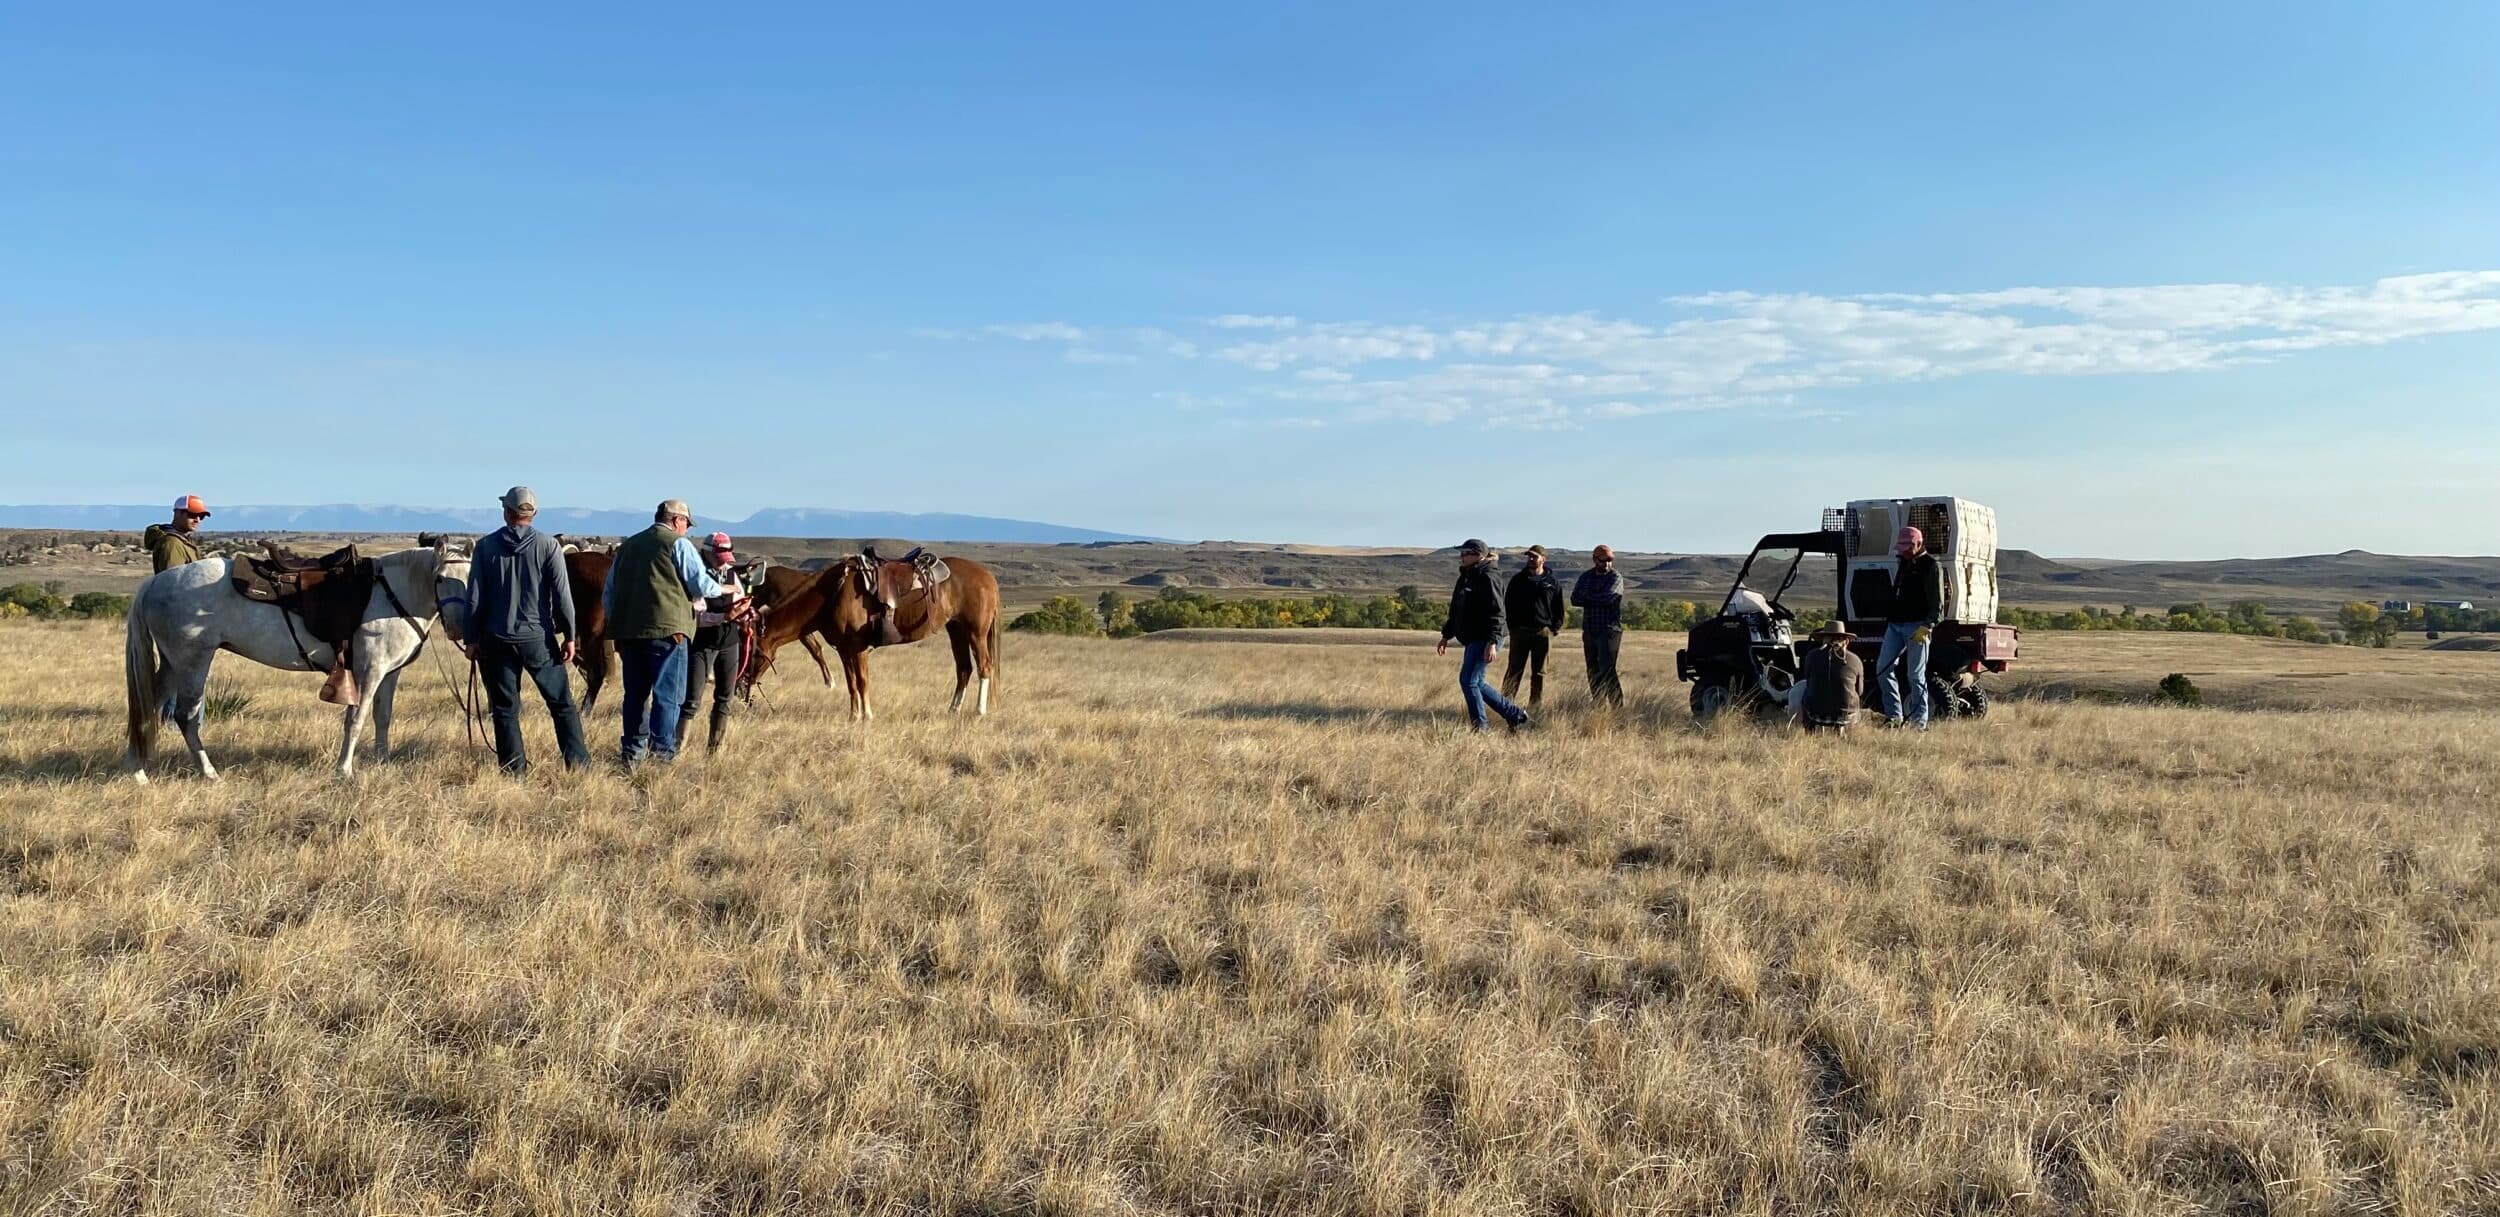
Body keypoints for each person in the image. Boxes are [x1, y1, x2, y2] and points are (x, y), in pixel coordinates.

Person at [462, 486, 591, 775]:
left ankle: (514, 771)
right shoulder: (549, 546)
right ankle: (578, 766)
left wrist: (470, 638)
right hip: (538, 638)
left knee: (505, 709)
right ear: (533, 514)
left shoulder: (485, 547)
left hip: (496, 639)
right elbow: (562, 596)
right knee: (562, 704)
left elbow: (474, 598)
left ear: (507, 512)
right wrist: (570, 636)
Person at [602, 499, 740, 767]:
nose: (687, 529)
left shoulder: (627, 546)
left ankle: (632, 754)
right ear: (677, 520)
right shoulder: (678, 544)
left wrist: (618, 622)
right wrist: (727, 589)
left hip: (629, 634)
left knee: (635, 696)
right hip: (668, 633)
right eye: (686, 524)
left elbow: (609, 593)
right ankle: (662, 757)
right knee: (668, 697)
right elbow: (700, 585)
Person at [1437, 539, 1530, 733]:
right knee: (1476, 682)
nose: (1462, 556)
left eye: (1466, 553)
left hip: (1486, 637)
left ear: (1479, 555)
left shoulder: (1489, 577)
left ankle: (1480, 727)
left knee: (1468, 681)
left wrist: (1492, 641)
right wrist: (1446, 635)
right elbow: (1456, 610)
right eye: (1461, 553)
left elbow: (1497, 612)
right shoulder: (1466, 577)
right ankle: (1516, 716)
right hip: (1473, 637)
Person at [677, 531, 750, 754]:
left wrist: (745, 614)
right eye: (719, 557)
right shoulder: (696, 577)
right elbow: (696, 616)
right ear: (706, 553)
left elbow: (739, 599)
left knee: (725, 697)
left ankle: (715, 750)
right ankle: (677, 749)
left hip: (729, 641)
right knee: (692, 699)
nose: (722, 563)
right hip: (702, 643)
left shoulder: (731, 574)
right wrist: (724, 617)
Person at [1874, 525, 1947, 729]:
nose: (1904, 551)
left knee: (1915, 675)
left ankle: (1919, 722)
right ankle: (1894, 716)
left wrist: (1928, 625)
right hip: (1895, 624)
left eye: (1908, 547)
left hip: (1917, 626)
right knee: (1882, 669)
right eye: (1902, 547)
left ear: (1919, 543)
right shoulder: (1903, 562)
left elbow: (1937, 603)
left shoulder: (1931, 566)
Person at [1501, 544, 1565, 708]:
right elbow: (1508, 604)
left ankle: (1535, 707)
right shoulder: (1518, 580)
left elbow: (1559, 608)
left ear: (1543, 559)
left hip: (1543, 633)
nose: (1530, 559)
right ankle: (1505, 706)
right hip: (1520, 632)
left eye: (1534, 556)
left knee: (1539, 673)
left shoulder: (1552, 582)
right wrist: (1513, 627)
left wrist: (1554, 628)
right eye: (1529, 556)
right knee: (1514, 670)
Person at [1571, 544, 1627, 705]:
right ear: (1595, 560)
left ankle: (1617, 707)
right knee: (1593, 670)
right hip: (1590, 629)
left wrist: (1587, 598)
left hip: (1609, 630)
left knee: (1607, 669)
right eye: (1603, 560)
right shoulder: (1586, 576)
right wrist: (1596, 597)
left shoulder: (1615, 577)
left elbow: (1608, 598)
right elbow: (1574, 599)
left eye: (1610, 560)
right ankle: (1599, 705)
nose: (1607, 564)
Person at [1791, 626, 1865, 732]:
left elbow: (1808, 682)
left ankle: (1809, 732)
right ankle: (1841, 730)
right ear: (1846, 641)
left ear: (1824, 639)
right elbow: (1860, 691)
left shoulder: (1811, 656)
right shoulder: (1855, 659)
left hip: (1815, 714)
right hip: (1847, 715)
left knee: (1805, 693)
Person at [146, 495, 211, 573]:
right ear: (178, 513)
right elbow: (172, 577)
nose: (197, 520)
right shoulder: (172, 543)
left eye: (201, 516)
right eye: (192, 515)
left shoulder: (184, 540)